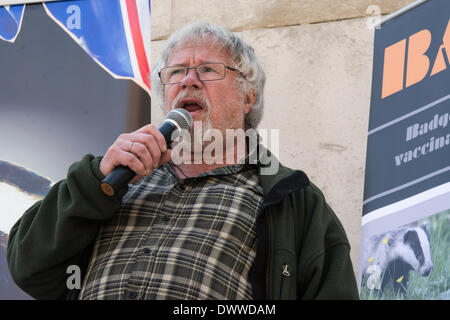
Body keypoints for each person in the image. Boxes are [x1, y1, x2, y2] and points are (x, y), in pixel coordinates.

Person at [7, 22, 359, 300]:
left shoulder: (294, 202)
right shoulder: (118, 179)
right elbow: (27, 266)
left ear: (247, 96)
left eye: (207, 69)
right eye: (175, 72)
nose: (188, 80)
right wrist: (95, 181)